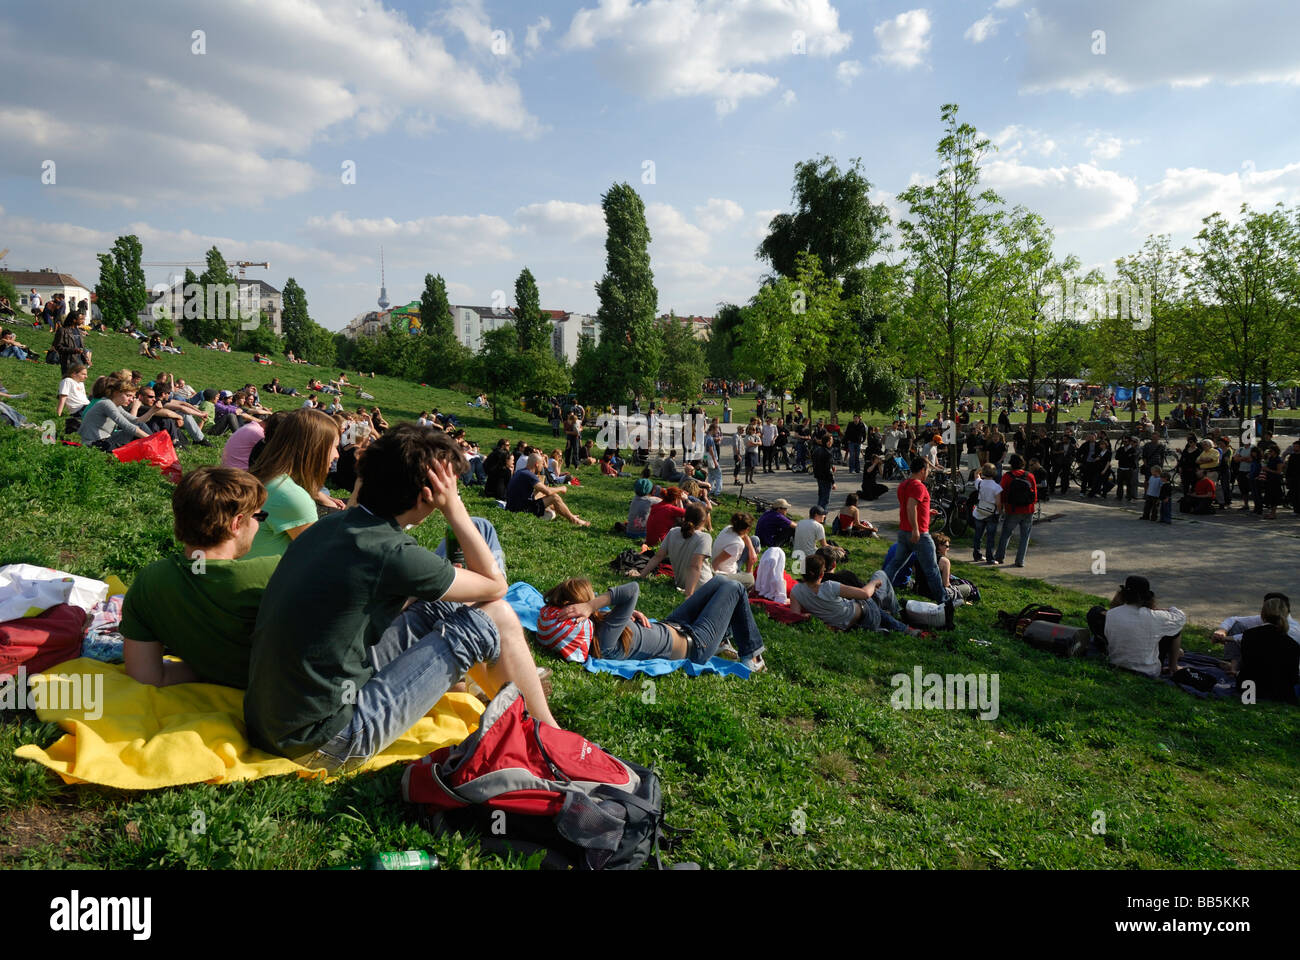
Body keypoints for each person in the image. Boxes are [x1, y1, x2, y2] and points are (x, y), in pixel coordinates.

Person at [245, 424, 558, 769]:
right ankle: (550, 740)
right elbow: (495, 586)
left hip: (270, 720)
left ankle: (508, 698)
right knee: (495, 616)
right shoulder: (392, 552)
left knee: (448, 605)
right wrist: (453, 508)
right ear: (429, 494)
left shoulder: (332, 524)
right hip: (329, 739)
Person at [121, 467, 280, 688]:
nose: (257, 526)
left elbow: (146, 677)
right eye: (258, 516)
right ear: (236, 523)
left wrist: (209, 670)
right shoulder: (277, 572)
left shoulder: (149, 582)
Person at [539, 577, 765, 671]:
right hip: (696, 645)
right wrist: (591, 605)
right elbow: (632, 589)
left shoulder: (599, 626)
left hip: (674, 624)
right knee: (734, 587)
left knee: (720, 581)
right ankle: (752, 657)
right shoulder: (604, 637)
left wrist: (626, 615)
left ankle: (723, 635)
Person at [245, 408, 342, 559]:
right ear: (314, 449)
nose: (337, 455)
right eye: (334, 447)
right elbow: (321, 557)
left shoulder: (267, 478)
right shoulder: (290, 496)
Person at [790, 554, 921, 636]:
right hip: (867, 618)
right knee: (878, 577)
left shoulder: (796, 591)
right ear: (821, 574)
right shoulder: (829, 586)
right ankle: (902, 626)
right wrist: (874, 583)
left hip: (847, 625)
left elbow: (795, 616)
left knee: (860, 600)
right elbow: (865, 594)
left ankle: (889, 622)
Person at [1091, 576, 1184, 678]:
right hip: (1149, 671)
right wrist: (1163, 610)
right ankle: (1173, 667)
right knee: (1174, 628)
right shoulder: (1156, 617)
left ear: (1123, 594)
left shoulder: (1112, 614)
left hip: (1116, 664)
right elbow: (1181, 617)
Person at [883, 457, 944, 602]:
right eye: (928, 470)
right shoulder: (919, 486)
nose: (928, 472)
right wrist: (916, 529)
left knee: (895, 564)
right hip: (919, 534)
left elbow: (909, 507)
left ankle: (880, 590)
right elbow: (911, 507)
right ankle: (944, 600)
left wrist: (927, 512)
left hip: (903, 532)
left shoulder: (903, 485)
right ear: (922, 470)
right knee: (932, 570)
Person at [632, 504, 714, 596]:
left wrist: (641, 575)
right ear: (704, 520)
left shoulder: (673, 532)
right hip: (703, 586)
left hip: (681, 584)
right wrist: (689, 594)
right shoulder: (704, 538)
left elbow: (658, 557)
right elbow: (695, 566)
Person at [506, 452, 590, 526]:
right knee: (554, 497)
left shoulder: (521, 472)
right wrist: (562, 488)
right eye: (542, 464)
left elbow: (539, 492)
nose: (543, 466)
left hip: (512, 507)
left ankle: (570, 515)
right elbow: (548, 491)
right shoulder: (529, 475)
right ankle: (574, 520)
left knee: (544, 496)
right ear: (537, 464)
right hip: (520, 510)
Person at [78, 372, 152, 450]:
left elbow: (136, 420)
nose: (131, 400)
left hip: (105, 439)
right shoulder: (106, 403)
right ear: (116, 393)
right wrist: (152, 439)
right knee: (136, 429)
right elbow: (127, 426)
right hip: (94, 443)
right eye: (128, 395)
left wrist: (153, 410)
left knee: (139, 426)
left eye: (133, 397)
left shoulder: (116, 405)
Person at [993, 454, 1037, 568]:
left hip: (1012, 509)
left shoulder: (1007, 476)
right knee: (1025, 536)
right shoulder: (1030, 475)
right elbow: (1035, 495)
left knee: (1006, 534)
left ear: (1011, 464)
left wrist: (1001, 507)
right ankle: (1020, 561)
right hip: (1028, 509)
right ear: (1023, 463)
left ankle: (999, 557)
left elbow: (1001, 493)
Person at [712, 512, 758, 587]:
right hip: (727, 574)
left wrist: (751, 550)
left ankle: (748, 573)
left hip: (732, 565)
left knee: (755, 540)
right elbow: (716, 562)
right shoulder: (737, 544)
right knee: (750, 581)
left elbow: (745, 535)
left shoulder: (729, 528)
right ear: (747, 529)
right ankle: (748, 582)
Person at [970, 463, 1002, 562]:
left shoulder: (979, 483)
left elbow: (976, 474)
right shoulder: (997, 487)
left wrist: (980, 469)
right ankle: (990, 558)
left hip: (980, 511)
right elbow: (998, 502)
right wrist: (1000, 512)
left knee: (978, 535)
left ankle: (977, 554)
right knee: (990, 537)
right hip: (991, 513)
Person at [931, 533, 972, 604]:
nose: (948, 549)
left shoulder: (921, 556)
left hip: (920, 590)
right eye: (946, 546)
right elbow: (945, 584)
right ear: (939, 546)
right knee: (967, 588)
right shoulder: (944, 561)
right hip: (935, 593)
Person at [811, 433, 836, 511]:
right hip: (825, 478)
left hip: (819, 476)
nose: (831, 442)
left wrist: (831, 465)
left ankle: (816, 515)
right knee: (825, 500)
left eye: (831, 441)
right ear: (826, 441)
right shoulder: (827, 453)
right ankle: (821, 518)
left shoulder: (817, 450)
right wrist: (833, 482)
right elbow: (827, 470)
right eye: (829, 441)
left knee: (821, 497)